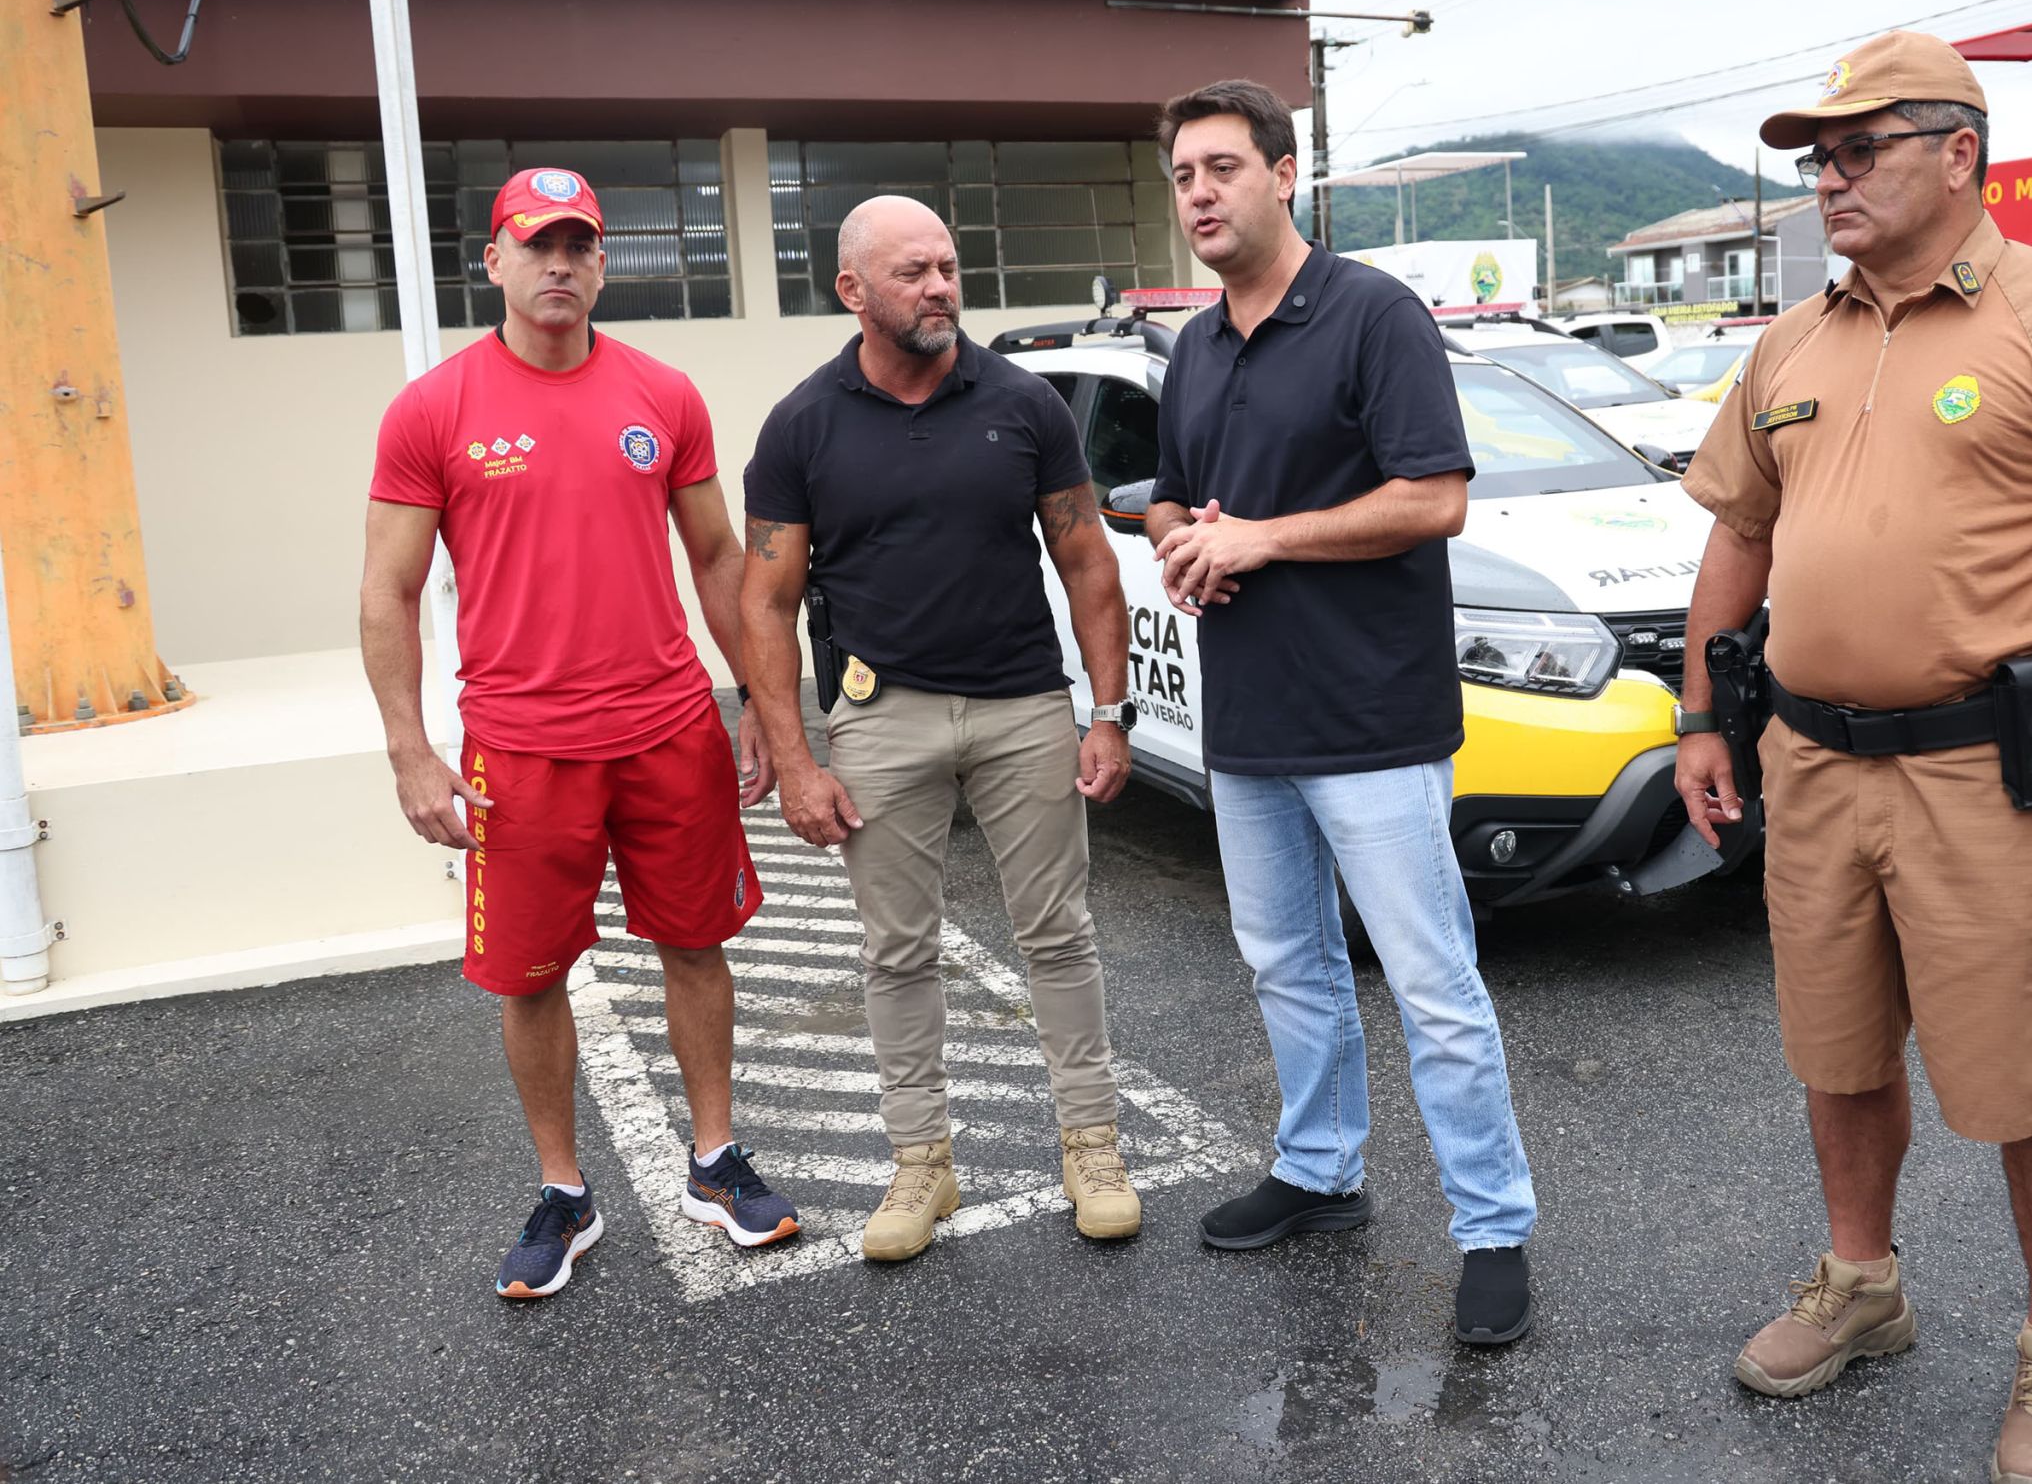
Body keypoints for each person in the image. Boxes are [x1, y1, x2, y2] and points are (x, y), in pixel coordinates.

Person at [1675, 31, 2032, 1482]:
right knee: (1838, 1053)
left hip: (1998, 775)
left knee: (2028, 1079)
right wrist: (1697, 720)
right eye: (1817, 159)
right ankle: (1863, 1282)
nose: (1828, 180)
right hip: (1814, 764)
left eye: (1859, 150)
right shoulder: (1796, 338)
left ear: (1959, 151)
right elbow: (1737, 532)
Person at [361, 167, 799, 1301]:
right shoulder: (434, 410)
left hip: (665, 727)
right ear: (494, 261)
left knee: (696, 941)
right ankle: (564, 1191)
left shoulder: (664, 394)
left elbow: (715, 558)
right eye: (536, 243)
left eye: (579, 245)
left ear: (602, 264)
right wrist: (412, 749)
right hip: (520, 745)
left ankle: (714, 1159)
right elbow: (387, 590)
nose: (559, 264)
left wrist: (751, 699)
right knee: (530, 971)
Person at [1146, 79, 1538, 1347]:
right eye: (1182, 177)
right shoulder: (1197, 346)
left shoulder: (1372, 314)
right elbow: (1172, 499)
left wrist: (1262, 538)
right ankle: (1319, 1173)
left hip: (1370, 718)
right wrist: (1185, 543)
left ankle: (1491, 1228)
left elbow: (1434, 499)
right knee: (1287, 968)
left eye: (1220, 168)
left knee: (1431, 982)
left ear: (1282, 172)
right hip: (1249, 719)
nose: (1198, 194)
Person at [737, 195, 1142, 1262]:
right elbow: (764, 604)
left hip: (1023, 708)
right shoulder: (801, 426)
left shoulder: (1023, 405)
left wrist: (1107, 714)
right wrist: (797, 759)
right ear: (852, 291)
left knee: (1058, 934)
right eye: (912, 272)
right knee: (896, 952)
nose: (939, 288)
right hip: (880, 718)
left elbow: (1088, 560)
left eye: (948, 268)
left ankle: (1090, 1145)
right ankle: (924, 1163)